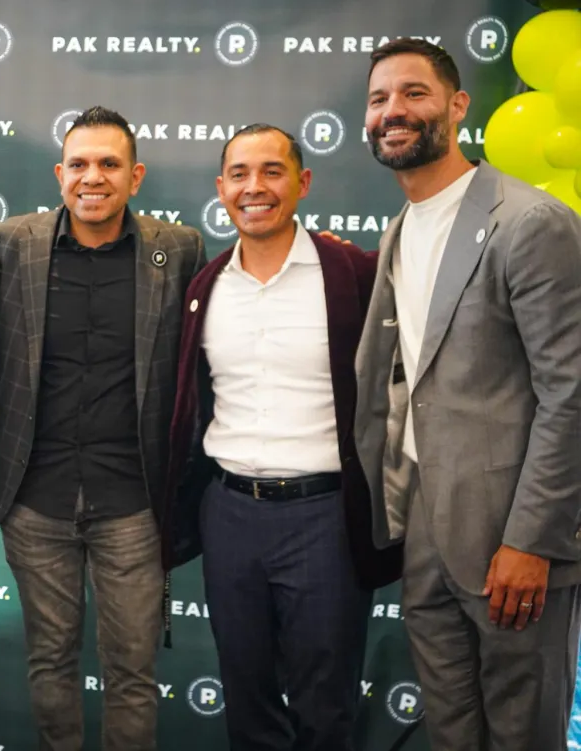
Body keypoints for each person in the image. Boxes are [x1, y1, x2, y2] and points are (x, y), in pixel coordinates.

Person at [355, 38, 581, 750]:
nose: (393, 110)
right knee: (452, 733)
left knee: (522, 734)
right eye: (379, 98)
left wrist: (532, 540)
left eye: (413, 93)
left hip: (513, 540)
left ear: (457, 106)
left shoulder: (530, 222)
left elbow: (571, 394)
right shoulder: (399, 229)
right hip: (427, 527)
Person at [164, 124, 402, 751]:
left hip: (326, 518)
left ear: (303, 182)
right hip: (230, 516)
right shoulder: (204, 288)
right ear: (221, 188)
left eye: (272, 171)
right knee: (248, 703)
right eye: (240, 174)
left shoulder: (352, 272)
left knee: (326, 706)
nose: (255, 187)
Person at [0, 106, 205, 750]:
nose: (93, 177)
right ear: (59, 174)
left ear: (136, 175)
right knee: (49, 664)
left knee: (132, 673)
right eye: (78, 164)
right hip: (36, 499)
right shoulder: (9, 243)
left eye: (109, 164)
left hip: (134, 503)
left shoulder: (179, 249)